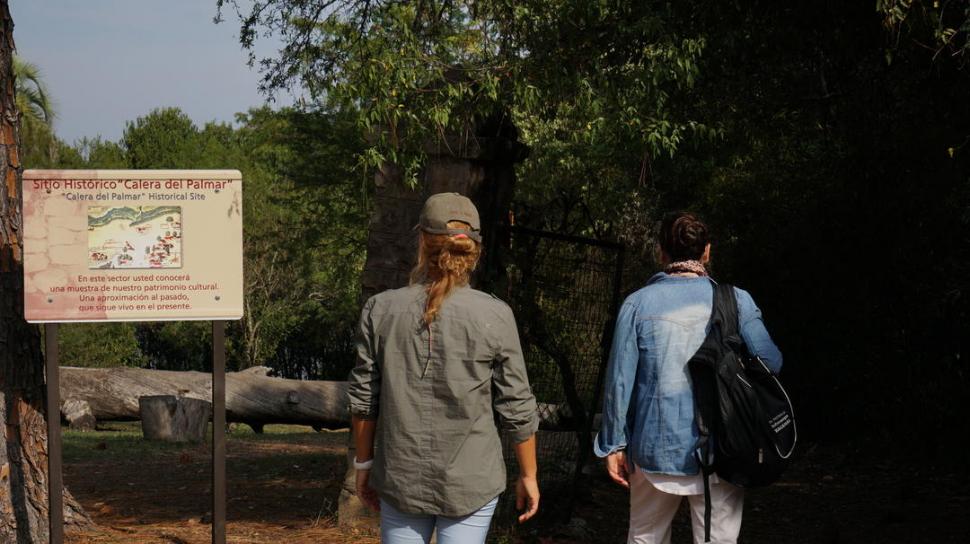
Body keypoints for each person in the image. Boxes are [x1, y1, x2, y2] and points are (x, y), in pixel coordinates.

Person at [348, 192, 541, 544]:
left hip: (400, 476)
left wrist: (363, 466)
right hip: (471, 480)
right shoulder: (495, 315)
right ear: (475, 250)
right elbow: (517, 406)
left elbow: (364, 400)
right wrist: (529, 474)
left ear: (422, 241)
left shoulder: (380, 310)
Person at [594, 211, 783, 544]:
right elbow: (771, 362)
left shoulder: (637, 304)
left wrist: (613, 444)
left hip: (653, 450)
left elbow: (619, 383)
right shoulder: (736, 301)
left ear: (661, 252)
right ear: (707, 251)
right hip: (723, 448)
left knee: (644, 538)